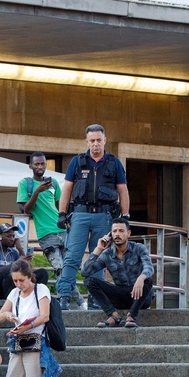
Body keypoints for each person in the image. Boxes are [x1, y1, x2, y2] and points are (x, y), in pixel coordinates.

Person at [56, 123, 130, 311]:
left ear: (105, 140)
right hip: (80, 214)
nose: (95, 144)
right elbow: (67, 189)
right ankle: (64, 296)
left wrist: (125, 216)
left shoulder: (114, 163)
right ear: (87, 142)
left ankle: (96, 298)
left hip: (104, 215)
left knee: (99, 258)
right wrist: (62, 213)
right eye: (92, 140)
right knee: (72, 257)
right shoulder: (77, 161)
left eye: (98, 140)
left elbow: (123, 190)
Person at [18, 152, 82, 307]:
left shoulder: (52, 183)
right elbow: (26, 209)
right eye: (36, 164)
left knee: (68, 269)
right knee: (60, 268)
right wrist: (37, 192)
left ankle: (70, 301)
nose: (40, 166)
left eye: (42, 164)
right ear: (30, 166)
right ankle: (78, 301)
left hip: (62, 230)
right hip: (45, 233)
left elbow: (61, 205)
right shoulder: (25, 183)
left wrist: (68, 220)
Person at [81, 217, 154, 328]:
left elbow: (149, 267)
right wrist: (98, 249)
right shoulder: (107, 254)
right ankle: (113, 315)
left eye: (121, 231)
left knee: (148, 279)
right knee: (89, 281)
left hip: (141, 297)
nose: (117, 234)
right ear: (111, 234)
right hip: (121, 296)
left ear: (128, 233)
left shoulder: (139, 248)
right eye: (114, 231)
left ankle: (131, 316)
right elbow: (85, 272)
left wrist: (141, 278)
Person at [0, 222, 49, 299]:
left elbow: (25, 269)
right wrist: (15, 263)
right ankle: (11, 300)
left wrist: (20, 249)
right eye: (8, 236)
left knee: (43, 273)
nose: (12, 239)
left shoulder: (13, 252)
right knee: (11, 271)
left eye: (13, 236)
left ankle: (36, 299)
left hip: (16, 283)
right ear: (0, 237)